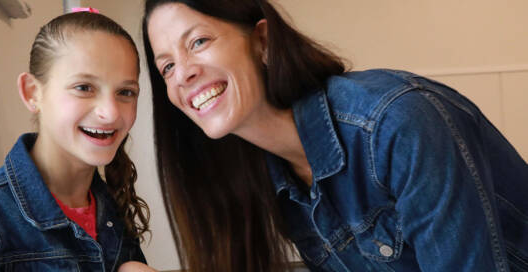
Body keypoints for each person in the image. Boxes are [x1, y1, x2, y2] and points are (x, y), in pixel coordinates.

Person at [142, 0, 528, 271]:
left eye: (198, 42)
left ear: (262, 41)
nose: (184, 73)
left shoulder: (396, 123)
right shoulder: (273, 179)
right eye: (167, 67)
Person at [0, 11, 151, 271]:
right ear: (32, 92)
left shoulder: (114, 208)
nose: (111, 112)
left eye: (125, 92)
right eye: (84, 87)